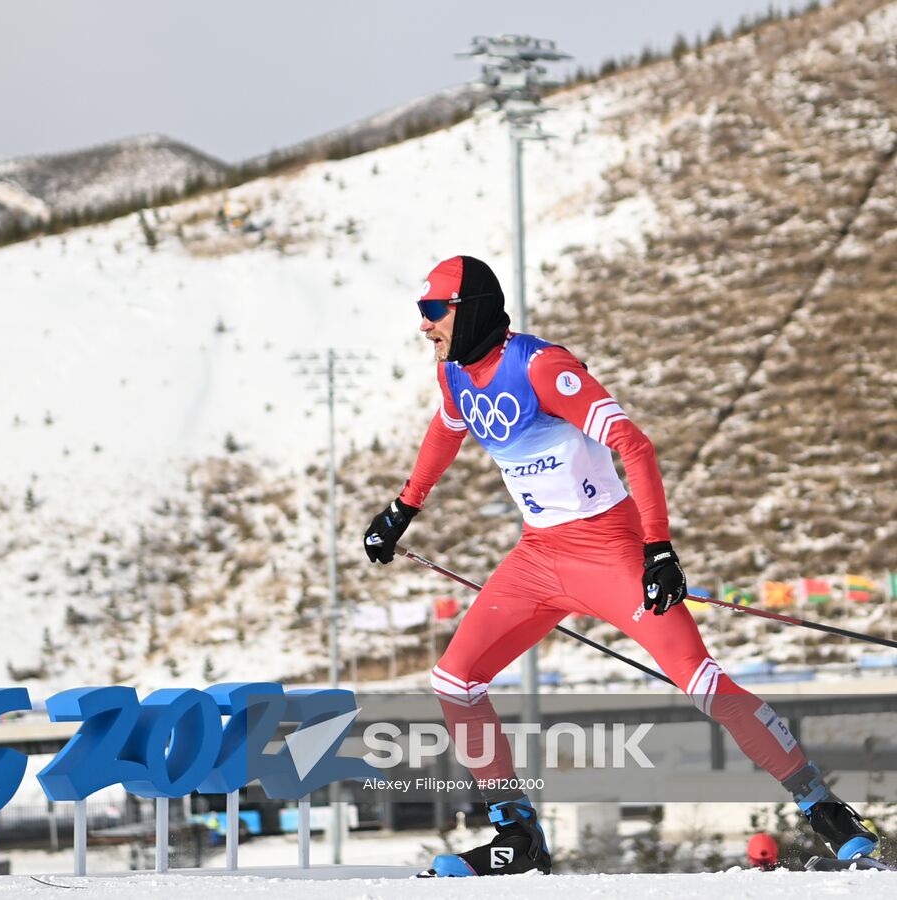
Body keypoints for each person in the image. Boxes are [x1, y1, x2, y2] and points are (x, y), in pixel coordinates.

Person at [364, 255, 875, 877]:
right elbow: (445, 432)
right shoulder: (455, 377)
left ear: (467, 310)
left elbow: (633, 444)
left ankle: (827, 812)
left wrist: (657, 546)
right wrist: (401, 509)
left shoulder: (542, 366)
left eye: (433, 311)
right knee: (454, 680)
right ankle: (517, 838)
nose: (424, 326)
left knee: (701, 681)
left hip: (610, 549)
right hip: (538, 557)